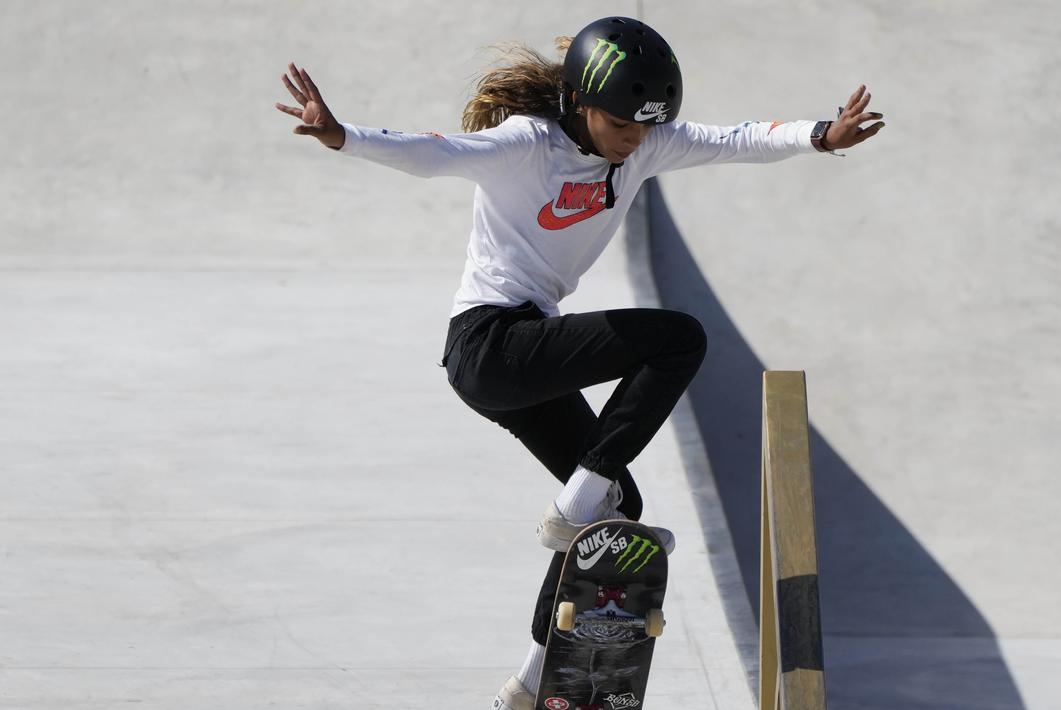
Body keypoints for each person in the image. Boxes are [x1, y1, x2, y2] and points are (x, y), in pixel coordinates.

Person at [276, 15, 883, 710]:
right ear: (580, 103)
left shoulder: (645, 146)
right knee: (677, 338)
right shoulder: (525, 144)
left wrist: (819, 135)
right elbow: (433, 153)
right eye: (621, 125)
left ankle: (531, 680)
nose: (634, 140)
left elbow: (735, 139)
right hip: (489, 343)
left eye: (646, 128)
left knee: (616, 515)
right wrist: (342, 135)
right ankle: (573, 504)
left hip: (526, 356)